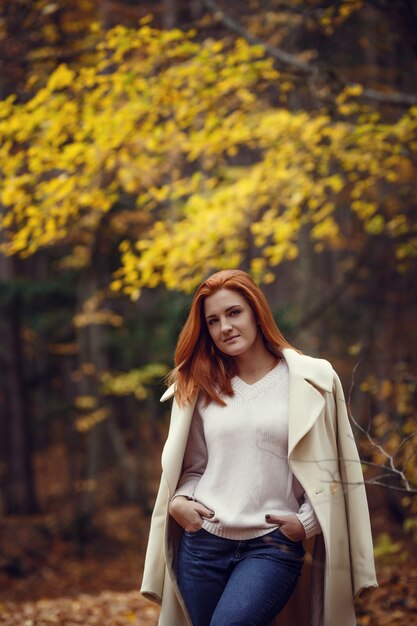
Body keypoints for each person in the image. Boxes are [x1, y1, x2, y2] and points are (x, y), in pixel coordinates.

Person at [141, 269, 377, 626]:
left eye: (234, 313)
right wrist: (179, 502)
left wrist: (305, 523)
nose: (225, 328)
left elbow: (337, 467)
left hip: (272, 547)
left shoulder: (313, 380)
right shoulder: (200, 386)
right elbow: (192, 467)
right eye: (213, 320)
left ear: (256, 312)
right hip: (203, 546)